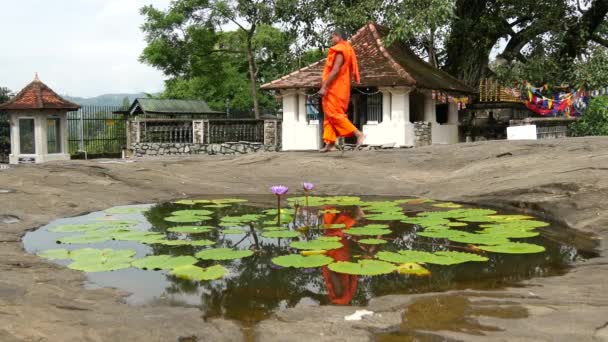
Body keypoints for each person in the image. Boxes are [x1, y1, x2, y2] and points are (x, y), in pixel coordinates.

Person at [319, 29, 365, 153]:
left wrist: (324, 86)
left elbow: (335, 70)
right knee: (329, 115)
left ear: (337, 36)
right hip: (339, 86)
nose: (331, 40)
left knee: (334, 113)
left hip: (336, 87)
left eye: (331, 37)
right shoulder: (347, 49)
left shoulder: (340, 50)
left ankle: (358, 134)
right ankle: (330, 144)